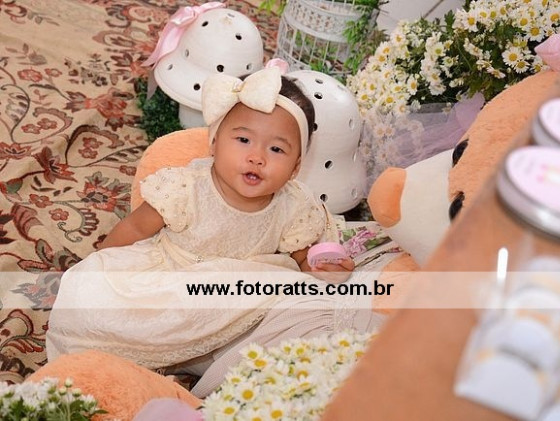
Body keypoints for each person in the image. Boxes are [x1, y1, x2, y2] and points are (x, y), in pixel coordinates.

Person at [46, 67, 369, 374]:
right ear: (214, 142)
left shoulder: (293, 205)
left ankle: (211, 365)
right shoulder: (186, 188)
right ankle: (155, 353)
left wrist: (321, 268)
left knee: (296, 319)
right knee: (92, 308)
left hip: (236, 305)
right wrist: (101, 271)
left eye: (276, 149)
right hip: (173, 285)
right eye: (243, 140)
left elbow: (301, 258)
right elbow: (134, 228)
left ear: (296, 167)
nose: (257, 157)